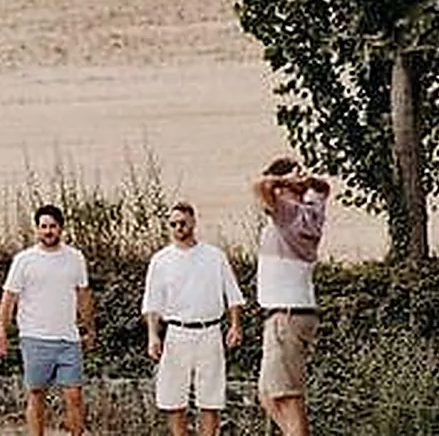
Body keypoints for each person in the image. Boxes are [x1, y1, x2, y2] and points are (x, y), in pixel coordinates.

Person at [140, 201, 245, 436]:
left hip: (209, 333)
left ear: (193, 222)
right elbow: (152, 303)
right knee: (174, 398)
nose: (179, 227)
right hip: (176, 334)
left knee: (210, 399)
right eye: (174, 224)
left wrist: (235, 325)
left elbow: (233, 294)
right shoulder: (161, 260)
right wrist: (153, 337)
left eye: (183, 223)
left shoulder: (214, 256)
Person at [0, 204, 96, 436]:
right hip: (34, 338)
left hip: (68, 339)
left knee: (75, 395)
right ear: (37, 229)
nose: (48, 231)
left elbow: (84, 295)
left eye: (52, 226)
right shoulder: (24, 260)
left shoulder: (75, 258)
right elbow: (9, 297)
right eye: (43, 227)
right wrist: (1, 331)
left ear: (61, 228)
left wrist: (89, 329)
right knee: (37, 394)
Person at [253, 158, 331, 436]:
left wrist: (286, 181)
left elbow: (259, 185)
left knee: (287, 396)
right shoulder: (311, 209)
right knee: (267, 394)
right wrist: (306, 182)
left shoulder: (289, 213)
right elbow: (323, 187)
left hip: (285, 316)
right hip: (293, 314)